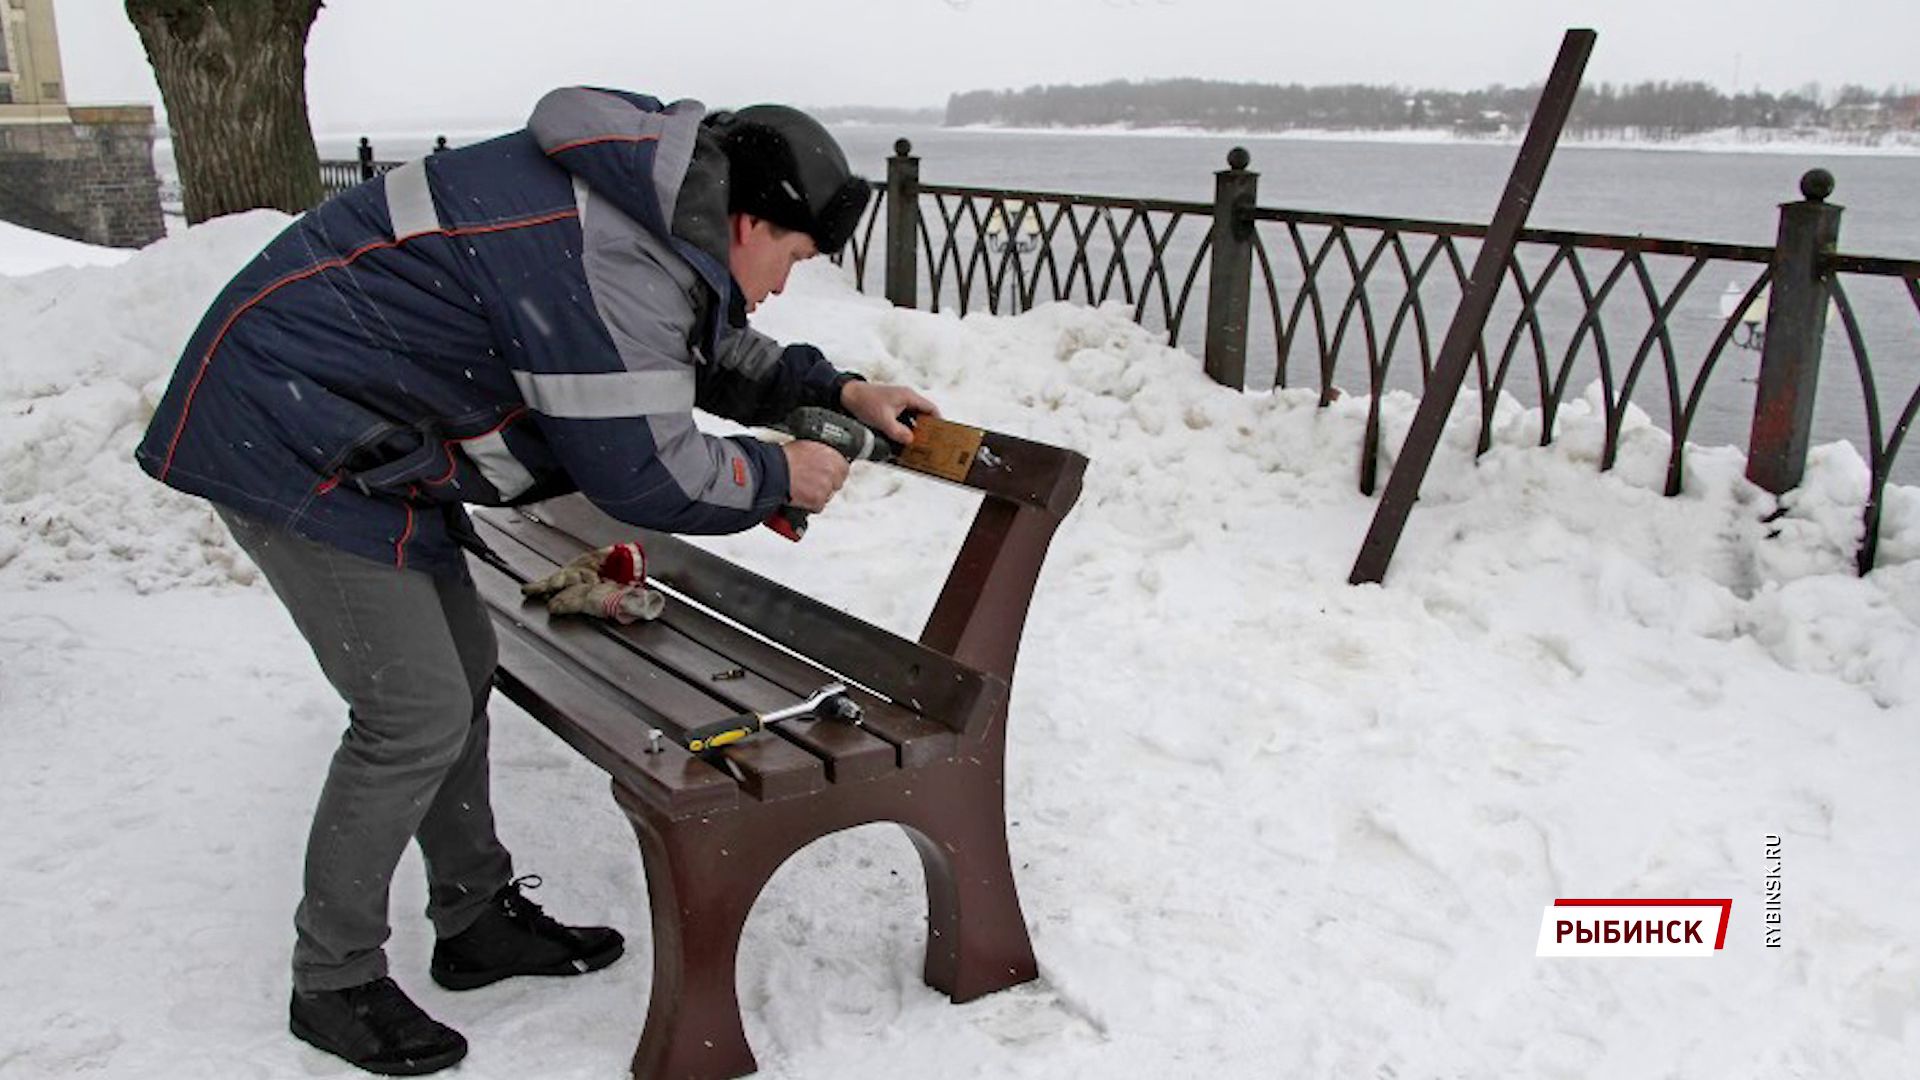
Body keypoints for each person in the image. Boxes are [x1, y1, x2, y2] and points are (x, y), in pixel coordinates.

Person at [134, 86, 937, 1077]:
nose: (782, 286)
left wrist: (838, 389)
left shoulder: (644, 207)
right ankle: (332, 980)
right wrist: (779, 473)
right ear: (749, 221)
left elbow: (697, 345)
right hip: (293, 436)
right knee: (412, 710)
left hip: (366, 427)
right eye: (793, 259)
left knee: (460, 665)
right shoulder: (612, 255)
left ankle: (473, 919)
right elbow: (645, 471)